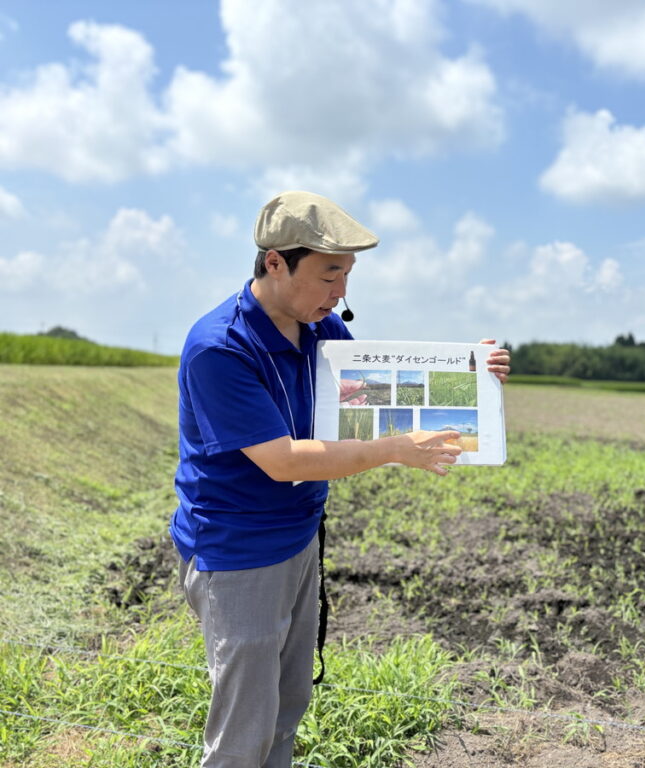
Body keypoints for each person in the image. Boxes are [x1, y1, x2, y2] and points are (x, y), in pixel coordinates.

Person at [170, 190, 511, 768]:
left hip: (299, 537)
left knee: (287, 705)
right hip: (240, 551)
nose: (342, 292)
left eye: (348, 274)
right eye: (330, 274)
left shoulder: (320, 330)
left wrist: (470, 376)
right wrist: (394, 451)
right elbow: (285, 461)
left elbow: (374, 395)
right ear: (275, 262)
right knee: (243, 727)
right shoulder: (220, 348)